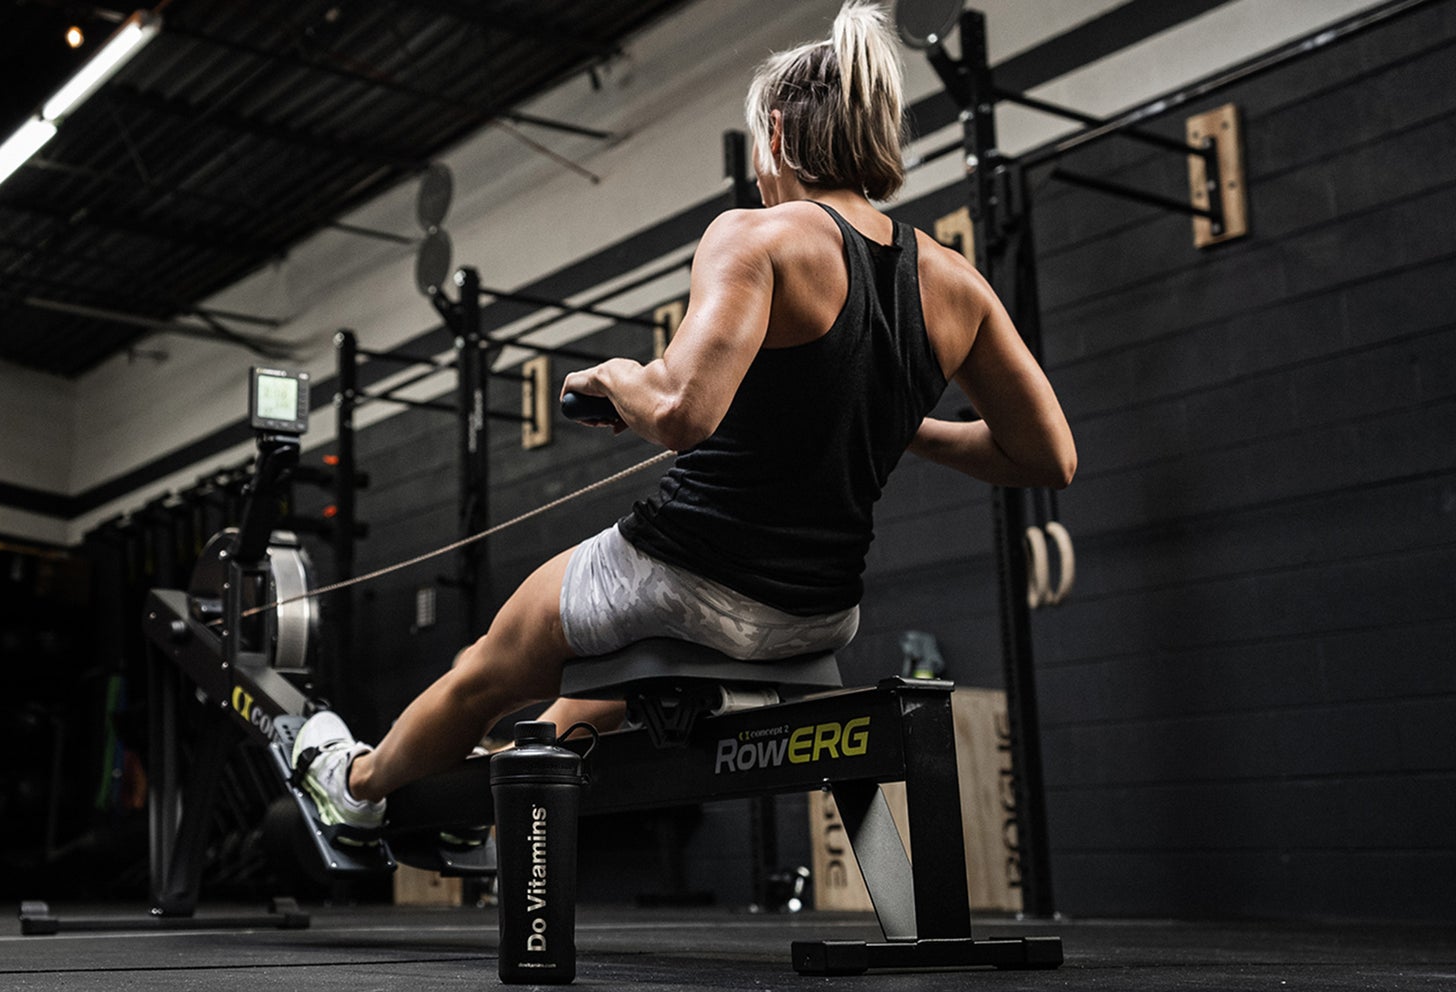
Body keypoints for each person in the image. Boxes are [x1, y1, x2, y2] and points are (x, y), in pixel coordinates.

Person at [293, 1, 1076, 843]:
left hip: (687, 575)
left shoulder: (755, 236)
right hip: (817, 611)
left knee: (488, 664)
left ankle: (356, 786)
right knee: (594, 692)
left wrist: (618, 377)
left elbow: (678, 413)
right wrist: (904, 427)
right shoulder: (955, 284)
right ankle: (485, 806)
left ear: (775, 134)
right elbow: (1048, 457)